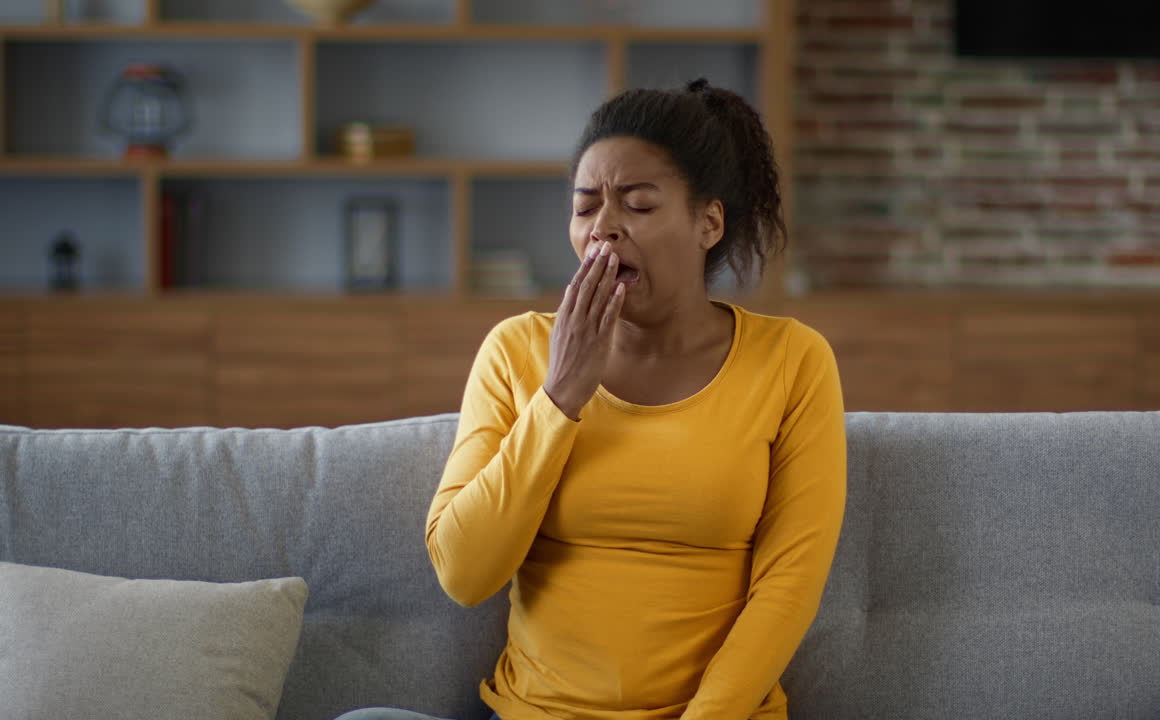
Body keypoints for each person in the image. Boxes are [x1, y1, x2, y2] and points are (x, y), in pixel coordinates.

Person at [337, 78, 846, 720]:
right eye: (585, 207)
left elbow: (788, 587)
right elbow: (465, 574)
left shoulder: (793, 360)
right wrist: (562, 395)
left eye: (637, 205)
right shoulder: (516, 350)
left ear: (707, 222)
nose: (603, 228)